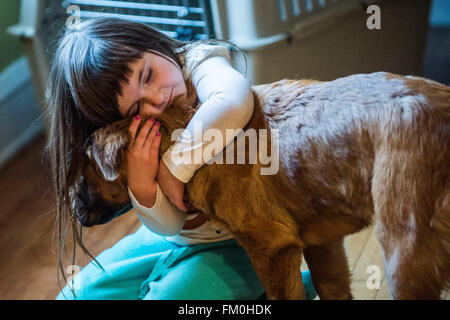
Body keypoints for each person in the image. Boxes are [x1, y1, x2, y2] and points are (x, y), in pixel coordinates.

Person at [45, 17, 316, 300]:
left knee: (166, 297)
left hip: (244, 241)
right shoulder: (131, 138)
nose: (158, 97)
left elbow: (234, 100)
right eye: (137, 107)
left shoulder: (199, 63)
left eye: (148, 75)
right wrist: (142, 186)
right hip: (171, 239)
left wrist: (174, 169)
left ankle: (295, 290)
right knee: (77, 295)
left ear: (154, 44)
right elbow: (171, 224)